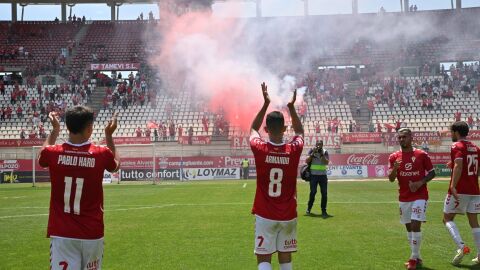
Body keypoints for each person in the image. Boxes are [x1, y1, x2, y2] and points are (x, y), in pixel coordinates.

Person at [38, 106, 120, 270]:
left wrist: (54, 131)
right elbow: (115, 166)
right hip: (92, 233)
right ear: (90, 128)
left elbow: (42, 155)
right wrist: (109, 136)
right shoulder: (101, 153)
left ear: (67, 127)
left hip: (62, 234)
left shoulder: (53, 153)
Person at [250, 82, 303, 270]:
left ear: (267, 129)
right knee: (285, 256)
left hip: (265, 214)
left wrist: (266, 103)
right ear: (284, 129)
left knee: (264, 258)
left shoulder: (260, 148)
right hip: (288, 214)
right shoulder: (293, 149)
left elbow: (253, 129)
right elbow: (300, 132)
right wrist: (291, 107)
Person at [388, 128, 435, 270]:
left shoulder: (421, 154)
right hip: (404, 196)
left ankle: (412, 259)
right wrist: (395, 169)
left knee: (415, 225)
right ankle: (417, 256)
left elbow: (432, 173)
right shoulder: (394, 157)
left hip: (420, 195)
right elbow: (391, 179)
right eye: (400, 137)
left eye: (404, 137)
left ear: (411, 137)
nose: (402, 139)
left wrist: (420, 183)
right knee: (408, 227)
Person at [443, 121, 480, 265]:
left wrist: (453, 186)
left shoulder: (456, 146)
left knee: (447, 218)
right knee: (474, 222)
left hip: (461, 190)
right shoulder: (476, 147)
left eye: (451, 132)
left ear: (456, 132)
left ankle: (461, 246)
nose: (451, 134)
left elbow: (459, 165)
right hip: (475, 190)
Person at [305, 140, 330, 217]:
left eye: (320, 145)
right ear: (315, 145)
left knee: (324, 193)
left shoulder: (325, 152)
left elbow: (326, 162)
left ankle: (324, 211)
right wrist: (313, 153)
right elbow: (307, 161)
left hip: (323, 175)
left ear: (322, 145)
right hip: (313, 175)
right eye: (317, 145)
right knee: (313, 192)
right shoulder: (312, 150)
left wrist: (321, 154)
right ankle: (309, 209)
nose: (319, 146)